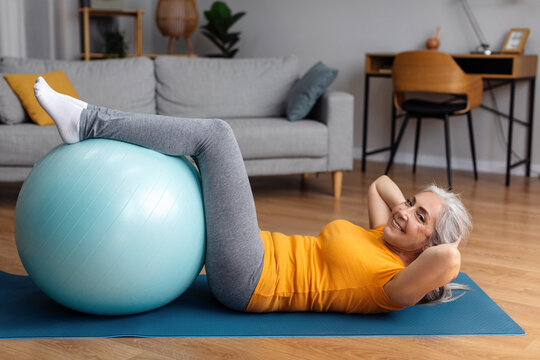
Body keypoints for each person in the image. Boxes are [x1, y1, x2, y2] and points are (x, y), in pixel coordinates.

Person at [33, 77, 472, 314]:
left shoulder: (394, 287)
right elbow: (380, 183)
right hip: (253, 255)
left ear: (427, 248)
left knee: (215, 137)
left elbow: (448, 261)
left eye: (420, 219)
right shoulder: (383, 237)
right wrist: (413, 213)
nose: (404, 211)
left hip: (251, 279)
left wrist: (440, 232)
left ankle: (89, 121)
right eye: (412, 202)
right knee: (194, 160)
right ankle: (91, 124)